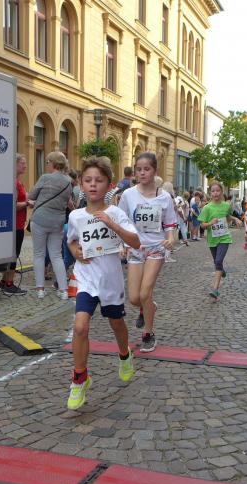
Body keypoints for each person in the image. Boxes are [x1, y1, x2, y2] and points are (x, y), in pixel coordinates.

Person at [65, 156, 141, 410]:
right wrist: (76, 252)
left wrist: (112, 225)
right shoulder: (75, 215)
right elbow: (71, 241)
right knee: (80, 327)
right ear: (81, 184)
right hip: (86, 278)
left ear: (109, 185)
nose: (93, 185)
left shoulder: (116, 213)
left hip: (110, 280)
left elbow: (135, 242)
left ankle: (124, 355)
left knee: (116, 324)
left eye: (98, 180)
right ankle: (79, 379)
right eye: (88, 180)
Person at [118, 152, 178, 352]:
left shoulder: (164, 197)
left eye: (147, 169)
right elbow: (121, 221)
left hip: (156, 248)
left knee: (145, 292)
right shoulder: (128, 195)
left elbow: (170, 224)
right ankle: (148, 306)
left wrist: (170, 239)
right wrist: (122, 245)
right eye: (138, 169)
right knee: (135, 298)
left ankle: (148, 334)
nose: (142, 173)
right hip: (135, 248)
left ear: (155, 171)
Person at [28, 151, 73, 300]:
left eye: (47, 162)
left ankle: (40, 289)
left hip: (40, 219)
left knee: (39, 254)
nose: (46, 165)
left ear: (53, 163)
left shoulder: (45, 178)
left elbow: (32, 196)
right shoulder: (68, 181)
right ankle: (63, 290)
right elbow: (67, 202)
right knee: (56, 255)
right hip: (57, 222)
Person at [198, 182, 244, 300]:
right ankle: (221, 269)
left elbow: (227, 216)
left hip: (224, 238)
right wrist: (210, 223)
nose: (215, 193)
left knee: (218, 261)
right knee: (217, 262)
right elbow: (202, 225)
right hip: (212, 239)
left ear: (222, 192)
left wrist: (235, 219)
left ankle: (215, 289)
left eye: (218, 191)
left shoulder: (226, 206)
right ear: (210, 193)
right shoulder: (207, 208)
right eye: (213, 191)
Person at [2, 154, 29, 295]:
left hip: (18, 224)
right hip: (15, 225)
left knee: (12, 253)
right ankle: (9, 284)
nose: (25, 166)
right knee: (14, 254)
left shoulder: (17, 181)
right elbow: (12, 205)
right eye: (22, 163)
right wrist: (27, 203)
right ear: (15, 164)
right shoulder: (14, 182)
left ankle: (3, 281)